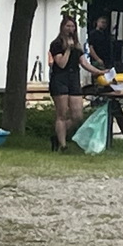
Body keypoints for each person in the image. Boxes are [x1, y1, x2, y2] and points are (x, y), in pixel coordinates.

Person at [48, 13, 87, 151]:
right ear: (62, 28)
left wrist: (100, 72)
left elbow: (84, 63)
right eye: (68, 26)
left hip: (73, 79)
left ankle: (58, 135)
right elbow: (61, 64)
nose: (70, 29)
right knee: (62, 114)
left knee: (77, 115)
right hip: (60, 79)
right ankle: (63, 145)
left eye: (72, 26)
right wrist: (68, 50)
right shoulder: (56, 44)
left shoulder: (77, 45)